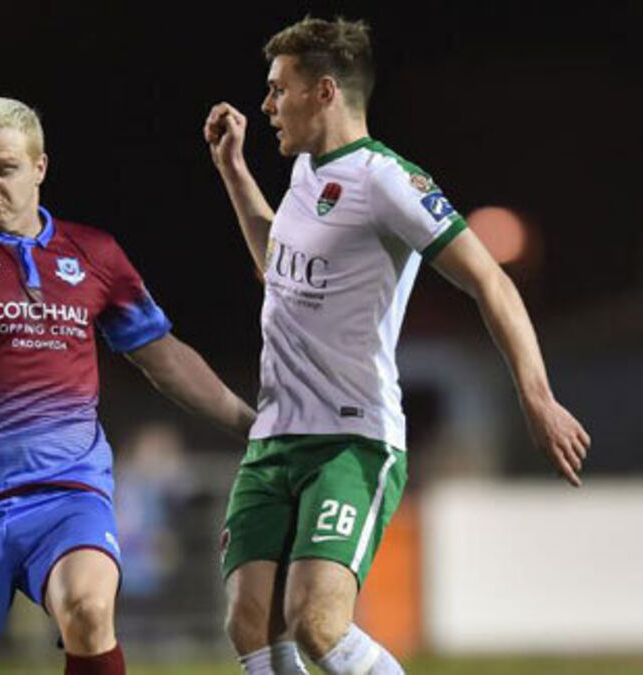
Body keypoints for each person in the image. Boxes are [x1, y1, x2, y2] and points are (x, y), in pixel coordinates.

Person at [203, 17, 592, 675]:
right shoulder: (304, 173)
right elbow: (278, 264)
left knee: (317, 624)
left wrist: (537, 395)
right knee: (250, 624)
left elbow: (489, 279)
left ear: (324, 92)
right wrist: (234, 171)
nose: (266, 105)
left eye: (278, 89)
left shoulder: (387, 180)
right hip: (274, 439)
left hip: (350, 440)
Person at [0, 96, 255, 675]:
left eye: (4, 168)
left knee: (88, 607)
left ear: (39, 168)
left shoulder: (95, 254)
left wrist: (252, 426)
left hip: (66, 492)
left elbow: (165, 358)